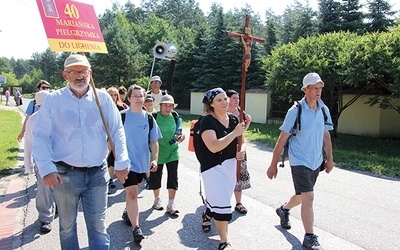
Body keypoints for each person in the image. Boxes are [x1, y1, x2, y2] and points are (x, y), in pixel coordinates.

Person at [32, 54, 130, 249]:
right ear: (64, 75)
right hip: (64, 175)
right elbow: (40, 136)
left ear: (90, 73)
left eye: (83, 71)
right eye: (73, 72)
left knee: (98, 227)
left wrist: (121, 162)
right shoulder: (53, 100)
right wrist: (46, 168)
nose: (79, 76)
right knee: (67, 226)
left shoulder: (102, 98)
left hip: (97, 173)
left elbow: (116, 129)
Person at [267, 73, 334, 250]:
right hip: (299, 160)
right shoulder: (295, 111)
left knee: (302, 195)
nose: (319, 91)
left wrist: (329, 159)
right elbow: (281, 139)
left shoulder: (323, 109)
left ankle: (284, 210)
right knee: (309, 197)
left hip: (315, 160)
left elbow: (326, 136)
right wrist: (273, 164)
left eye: (320, 88)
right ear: (305, 89)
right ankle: (309, 237)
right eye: (315, 88)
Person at [199, 88, 249, 250]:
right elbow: (213, 146)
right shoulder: (206, 121)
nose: (224, 102)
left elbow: (242, 139)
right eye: (219, 100)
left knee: (221, 199)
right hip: (212, 167)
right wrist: (234, 134)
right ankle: (224, 241)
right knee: (223, 204)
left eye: (225, 99)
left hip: (230, 165)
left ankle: (207, 214)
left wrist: (242, 149)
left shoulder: (234, 119)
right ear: (211, 104)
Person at [121, 84, 162, 242]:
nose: (139, 99)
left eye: (141, 96)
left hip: (142, 162)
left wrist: (154, 159)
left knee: (134, 191)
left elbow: (154, 142)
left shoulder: (149, 118)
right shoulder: (122, 116)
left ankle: (127, 211)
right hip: (126, 162)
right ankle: (136, 228)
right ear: (129, 98)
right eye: (135, 96)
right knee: (132, 194)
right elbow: (112, 140)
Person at [24, 90, 56, 233]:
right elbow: (28, 143)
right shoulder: (32, 120)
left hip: (60, 159)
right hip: (42, 161)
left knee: (61, 188)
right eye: (41, 106)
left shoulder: (60, 117)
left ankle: (58, 208)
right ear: (37, 106)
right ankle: (44, 218)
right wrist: (28, 164)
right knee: (44, 189)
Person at [148, 94, 185, 215]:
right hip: (157, 152)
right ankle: (157, 199)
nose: (168, 108)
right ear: (160, 106)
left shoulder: (175, 116)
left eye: (170, 106)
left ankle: (171, 203)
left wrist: (181, 137)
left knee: (173, 176)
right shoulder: (153, 117)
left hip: (172, 151)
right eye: (165, 105)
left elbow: (179, 132)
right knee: (156, 176)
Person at [226, 89, 252, 214]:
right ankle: (221, 201)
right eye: (234, 98)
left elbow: (243, 131)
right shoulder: (223, 112)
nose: (237, 100)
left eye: (238, 98)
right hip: (226, 147)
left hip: (239, 146)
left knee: (239, 175)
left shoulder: (240, 111)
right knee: (225, 174)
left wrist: (248, 122)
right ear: (228, 99)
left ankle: (238, 202)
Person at [106, 86, 126, 191]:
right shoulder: (103, 107)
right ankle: (108, 179)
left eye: (115, 95)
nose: (113, 97)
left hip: (116, 136)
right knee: (108, 158)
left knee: (114, 158)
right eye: (111, 95)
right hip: (105, 136)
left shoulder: (121, 108)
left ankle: (112, 178)